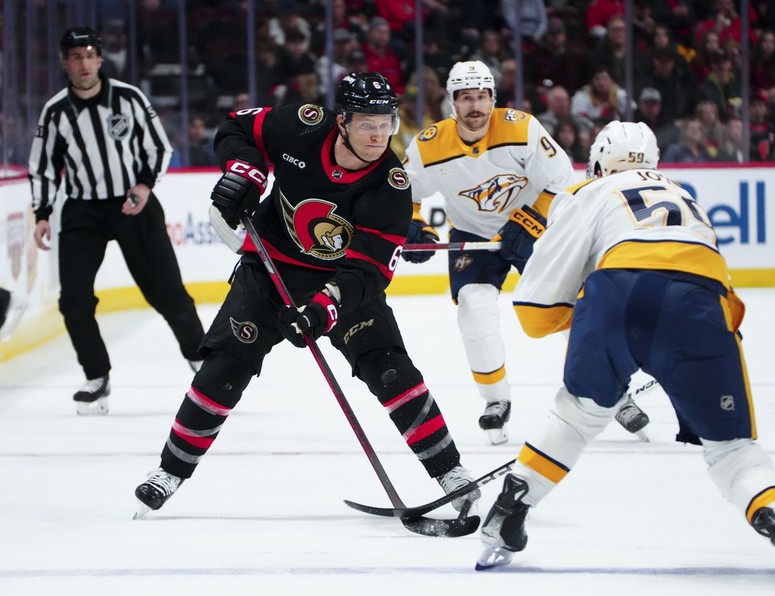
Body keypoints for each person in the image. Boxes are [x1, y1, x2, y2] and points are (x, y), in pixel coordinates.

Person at [475, 121, 775, 588]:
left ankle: (509, 509)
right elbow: (678, 274)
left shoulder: (592, 191)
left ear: (598, 163)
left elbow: (536, 314)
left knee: (577, 415)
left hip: (616, 296)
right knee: (732, 450)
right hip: (701, 305)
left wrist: (567, 286)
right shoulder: (685, 196)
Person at [133, 72, 480, 519]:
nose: (379, 135)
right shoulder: (302, 124)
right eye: (367, 123)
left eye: (386, 123)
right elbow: (238, 126)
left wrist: (323, 309)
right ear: (342, 121)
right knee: (225, 365)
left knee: (390, 369)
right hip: (271, 270)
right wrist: (246, 171)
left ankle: (450, 472)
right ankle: (169, 472)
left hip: (340, 284)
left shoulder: (390, 185)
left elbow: (368, 271)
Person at [400, 61, 650, 445]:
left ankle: (614, 392)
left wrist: (528, 221)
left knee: (568, 308)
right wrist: (414, 226)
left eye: (482, 96)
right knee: (474, 311)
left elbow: (564, 181)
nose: (475, 106)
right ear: (451, 102)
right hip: (475, 234)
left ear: (493, 99)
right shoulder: (429, 145)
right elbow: (406, 194)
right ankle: (495, 401)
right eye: (466, 98)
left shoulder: (521, 127)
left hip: (534, 227)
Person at [28, 27, 205, 416]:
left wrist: (143, 187)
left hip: (134, 204)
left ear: (100, 59)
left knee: (167, 292)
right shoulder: (56, 111)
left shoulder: (128, 98)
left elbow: (159, 146)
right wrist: (42, 213)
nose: (83, 63)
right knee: (73, 299)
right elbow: (43, 166)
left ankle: (201, 359)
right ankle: (96, 376)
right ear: (64, 63)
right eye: (75, 56)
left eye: (89, 54)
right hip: (82, 211)